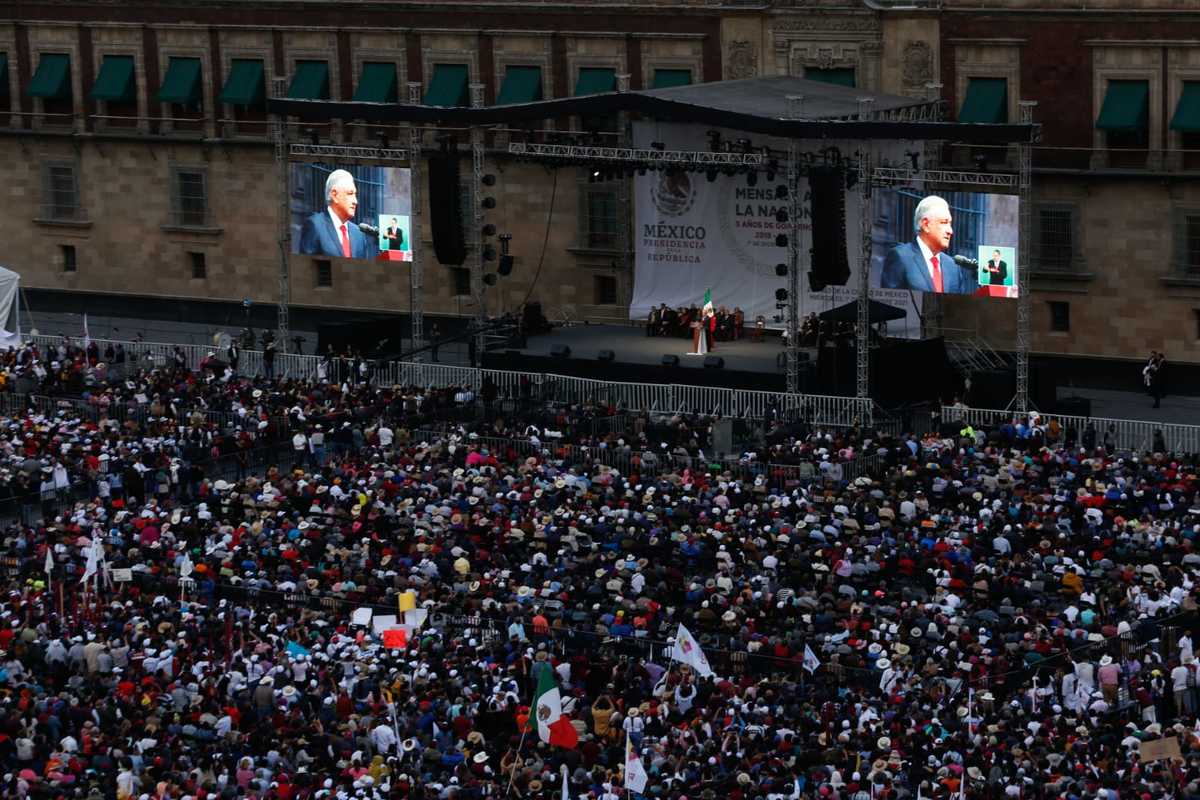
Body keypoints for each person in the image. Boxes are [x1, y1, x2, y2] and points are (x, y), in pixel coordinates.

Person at [880, 195, 974, 294]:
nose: (950, 231)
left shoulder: (953, 267)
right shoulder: (900, 257)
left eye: (950, 224)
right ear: (926, 225)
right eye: (944, 222)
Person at [297, 169, 375, 259]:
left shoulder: (359, 234)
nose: (355, 201)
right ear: (334, 195)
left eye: (355, 195)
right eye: (350, 194)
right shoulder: (315, 225)